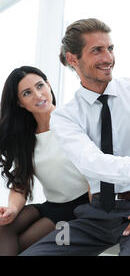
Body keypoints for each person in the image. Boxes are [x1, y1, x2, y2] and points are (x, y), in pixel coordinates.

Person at [20, 18, 130, 256]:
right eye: (97, 51)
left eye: (110, 49)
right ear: (73, 59)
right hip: (94, 216)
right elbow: (92, 162)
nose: (108, 58)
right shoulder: (65, 116)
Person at [0, 66, 90, 256]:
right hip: (51, 205)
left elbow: (97, 170)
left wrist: (97, 215)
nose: (38, 95)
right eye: (27, 93)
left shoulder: (76, 122)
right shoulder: (26, 138)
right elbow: (20, 182)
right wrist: (13, 210)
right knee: (3, 227)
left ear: (49, 85)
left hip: (79, 207)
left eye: (40, 86)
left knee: (23, 245)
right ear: (20, 103)